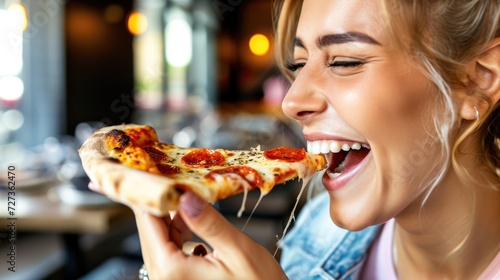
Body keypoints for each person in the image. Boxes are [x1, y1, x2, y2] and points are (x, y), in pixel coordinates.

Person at [128, 0, 500, 279]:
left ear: (476, 79)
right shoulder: (313, 230)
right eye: (299, 64)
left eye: (344, 61)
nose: (292, 102)